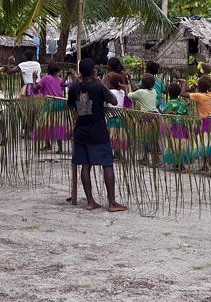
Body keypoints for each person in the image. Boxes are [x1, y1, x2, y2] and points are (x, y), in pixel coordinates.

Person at [67, 58, 126, 212]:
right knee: (107, 164)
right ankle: (112, 202)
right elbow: (113, 101)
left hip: (81, 131)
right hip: (98, 132)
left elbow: (72, 106)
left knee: (85, 166)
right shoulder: (98, 87)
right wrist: (102, 85)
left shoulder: (73, 89)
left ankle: (90, 201)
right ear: (94, 72)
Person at [179, 73, 211, 177]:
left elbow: (183, 93)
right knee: (206, 145)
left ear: (199, 86)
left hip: (205, 123)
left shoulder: (199, 96)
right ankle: (205, 166)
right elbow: (210, 89)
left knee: (206, 145)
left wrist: (184, 83)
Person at [33, 62, 69, 153]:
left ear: (48, 70)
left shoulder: (45, 78)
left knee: (45, 123)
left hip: (49, 103)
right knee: (58, 124)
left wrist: (34, 79)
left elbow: (34, 89)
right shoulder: (60, 79)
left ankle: (48, 144)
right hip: (60, 104)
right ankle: (60, 148)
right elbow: (61, 89)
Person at [127, 73, 159, 166]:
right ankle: (149, 159)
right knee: (153, 138)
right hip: (155, 116)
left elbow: (129, 95)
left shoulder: (140, 92)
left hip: (146, 117)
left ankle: (154, 160)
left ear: (143, 84)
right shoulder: (154, 91)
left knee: (146, 139)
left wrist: (131, 85)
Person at [160, 82, 190, 173]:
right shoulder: (182, 102)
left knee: (176, 145)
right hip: (184, 127)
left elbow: (164, 114)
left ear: (169, 93)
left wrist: (159, 110)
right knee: (181, 145)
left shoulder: (171, 103)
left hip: (176, 128)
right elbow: (187, 114)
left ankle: (181, 167)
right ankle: (178, 164)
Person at [105, 72, 128, 158]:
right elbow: (126, 91)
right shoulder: (122, 92)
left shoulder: (110, 92)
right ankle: (118, 154)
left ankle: (117, 155)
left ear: (110, 83)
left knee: (112, 137)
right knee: (118, 137)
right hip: (120, 118)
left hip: (112, 119)